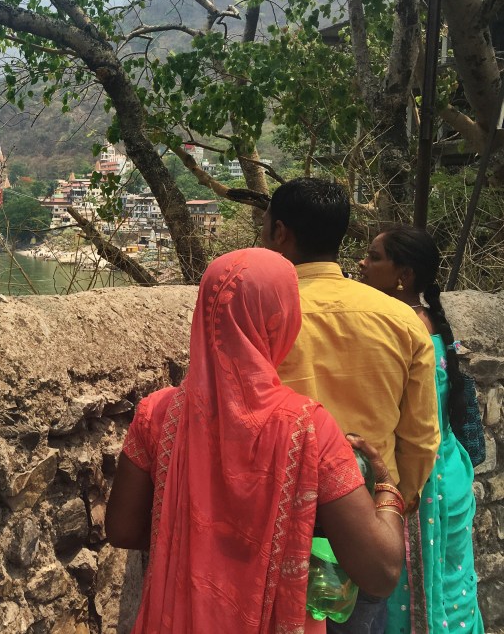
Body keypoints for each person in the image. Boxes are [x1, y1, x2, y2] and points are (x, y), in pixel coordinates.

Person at [106, 247, 406, 634]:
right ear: (282, 319)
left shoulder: (157, 414)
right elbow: (381, 572)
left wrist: (201, 539)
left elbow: (122, 528)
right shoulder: (307, 428)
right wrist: (386, 486)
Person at [261, 177, 439, 633]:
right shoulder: (402, 320)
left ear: (280, 232)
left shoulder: (261, 313)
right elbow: (421, 436)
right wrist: (393, 502)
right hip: (366, 517)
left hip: (279, 514)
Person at [358, 225, 484, 633]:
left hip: (422, 482)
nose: (362, 262)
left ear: (404, 275)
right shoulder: (428, 321)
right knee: (452, 591)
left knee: (414, 599)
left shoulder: (398, 328)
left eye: (374, 256)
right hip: (450, 472)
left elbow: (413, 428)